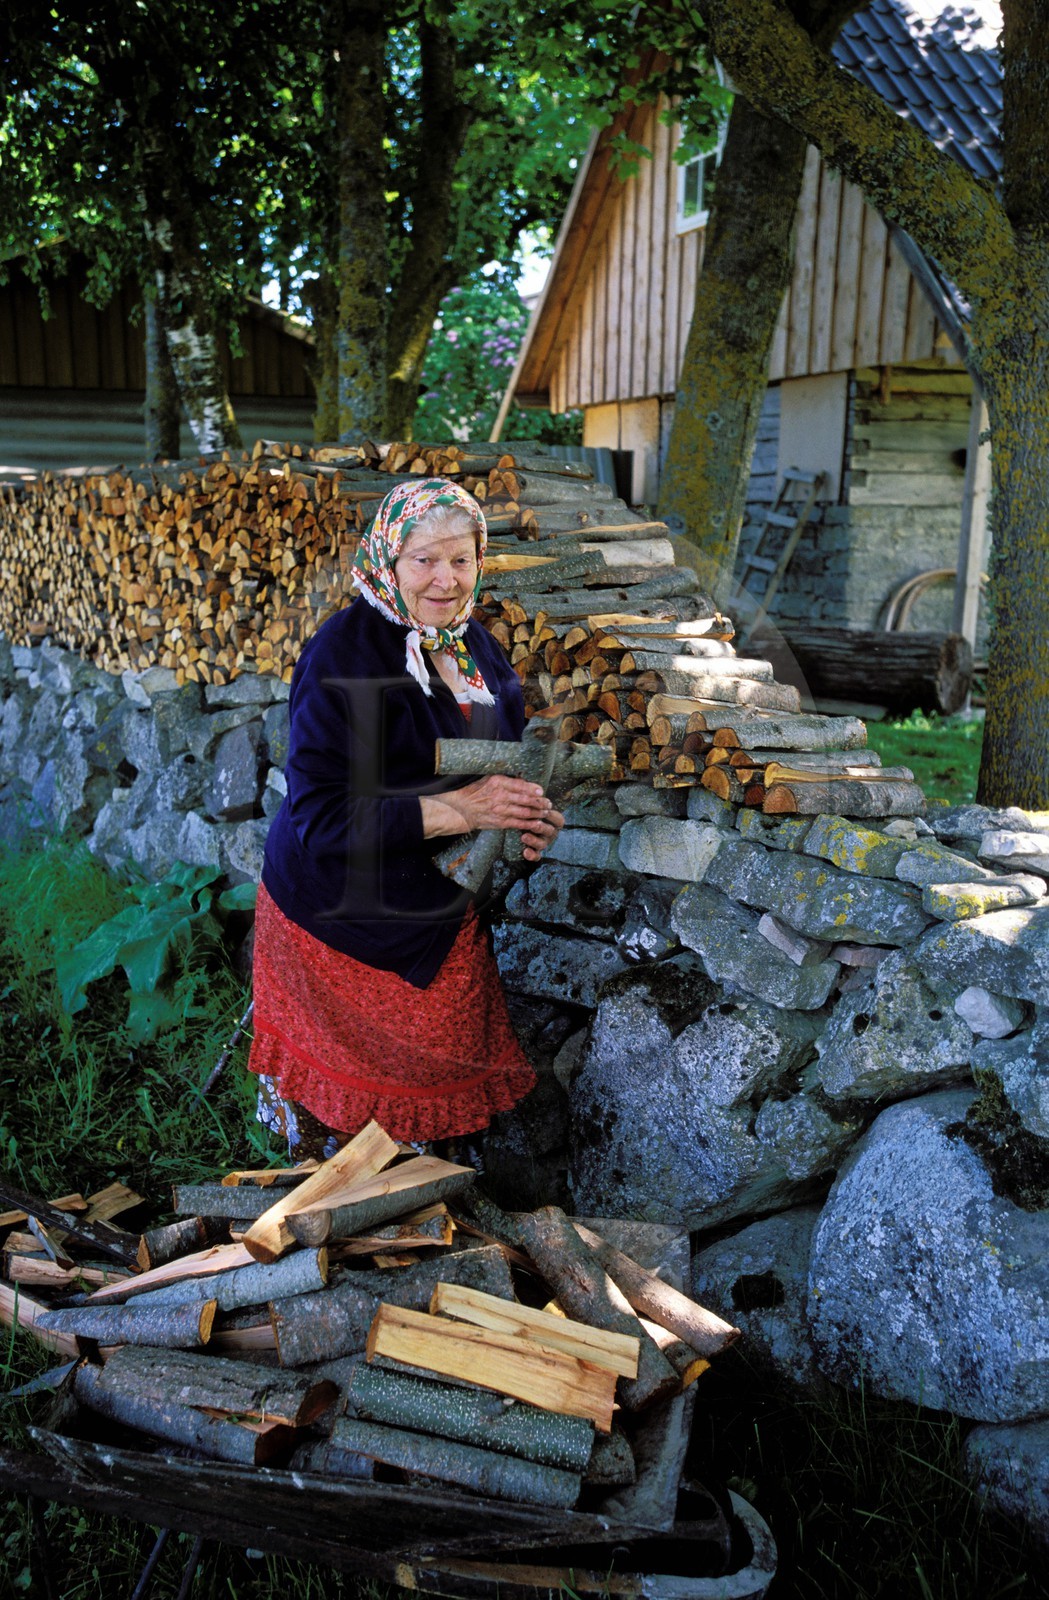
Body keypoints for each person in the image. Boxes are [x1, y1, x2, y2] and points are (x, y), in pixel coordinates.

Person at [246, 476, 563, 1160]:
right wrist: (460, 810)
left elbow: (495, 760)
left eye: (461, 559)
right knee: (346, 1134)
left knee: (439, 1096)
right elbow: (322, 819)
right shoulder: (345, 653)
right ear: (388, 560)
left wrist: (519, 816)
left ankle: (425, 1219)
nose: (444, 579)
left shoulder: (473, 645)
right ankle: (337, 1227)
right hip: (337, 920)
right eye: (424, 559)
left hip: (434, 905)